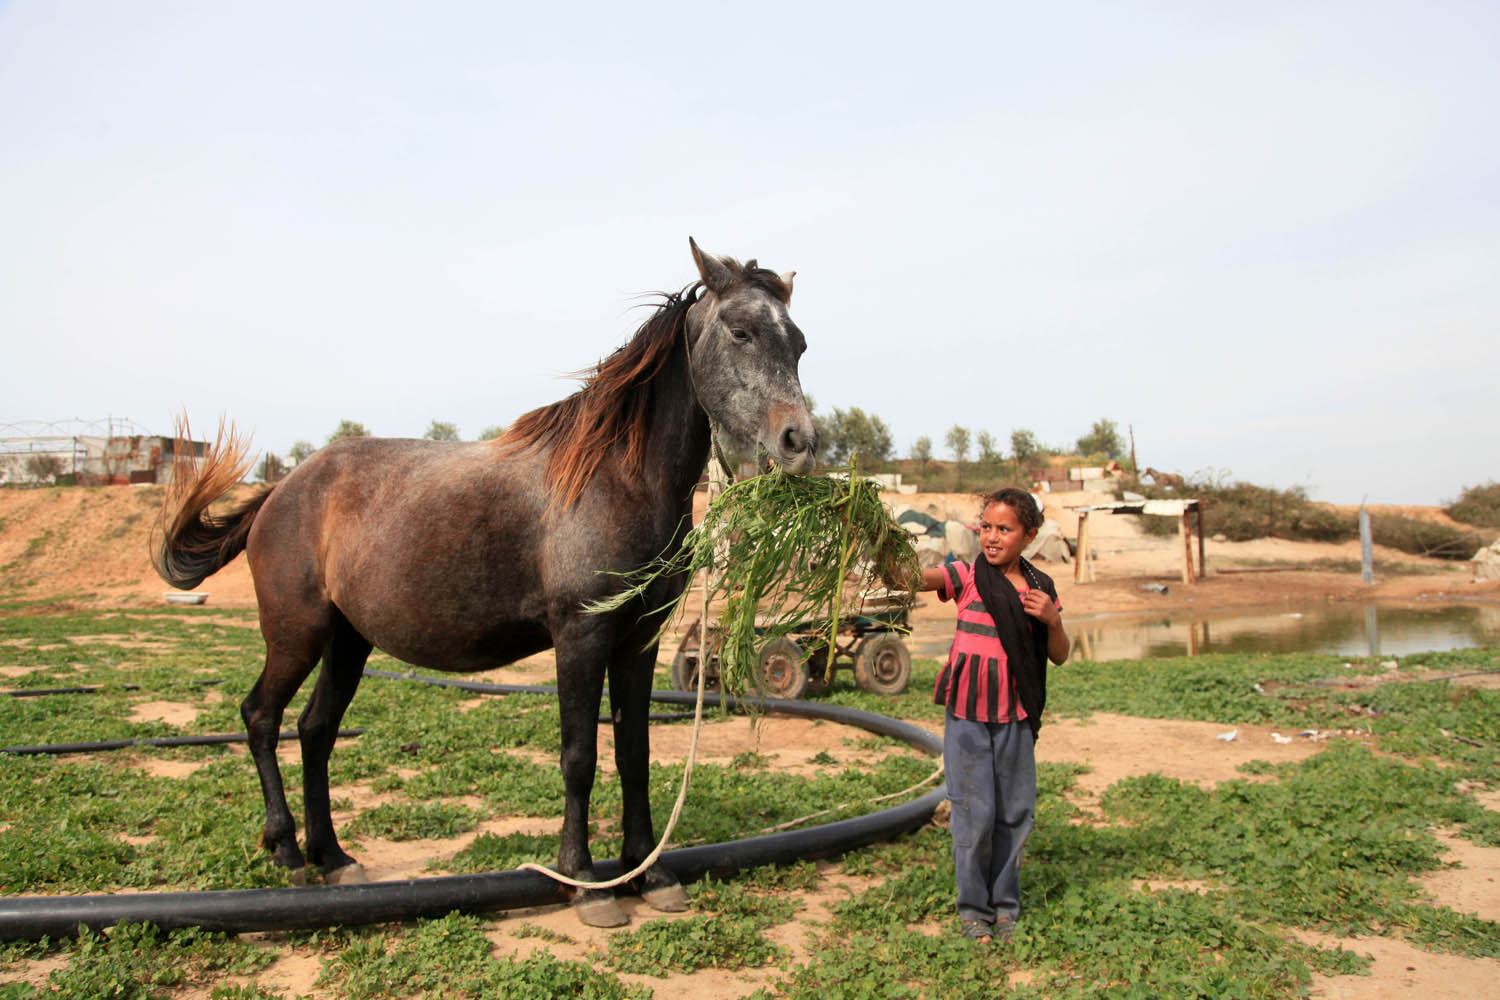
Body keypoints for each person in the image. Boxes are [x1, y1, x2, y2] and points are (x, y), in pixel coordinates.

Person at [915, 487, 1068, 944]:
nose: (993, 538)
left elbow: (1059, 655)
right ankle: (973, 910)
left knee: (1014, 813)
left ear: (1030, 536)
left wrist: (1053, 622)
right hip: (967, 715)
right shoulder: (967, 575)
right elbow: (916, 579)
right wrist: (873, 545)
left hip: (1014, 715)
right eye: (987, 527)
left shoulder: (1041, 590)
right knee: (973, 813)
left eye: (1005, 529)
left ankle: (1006, 906)